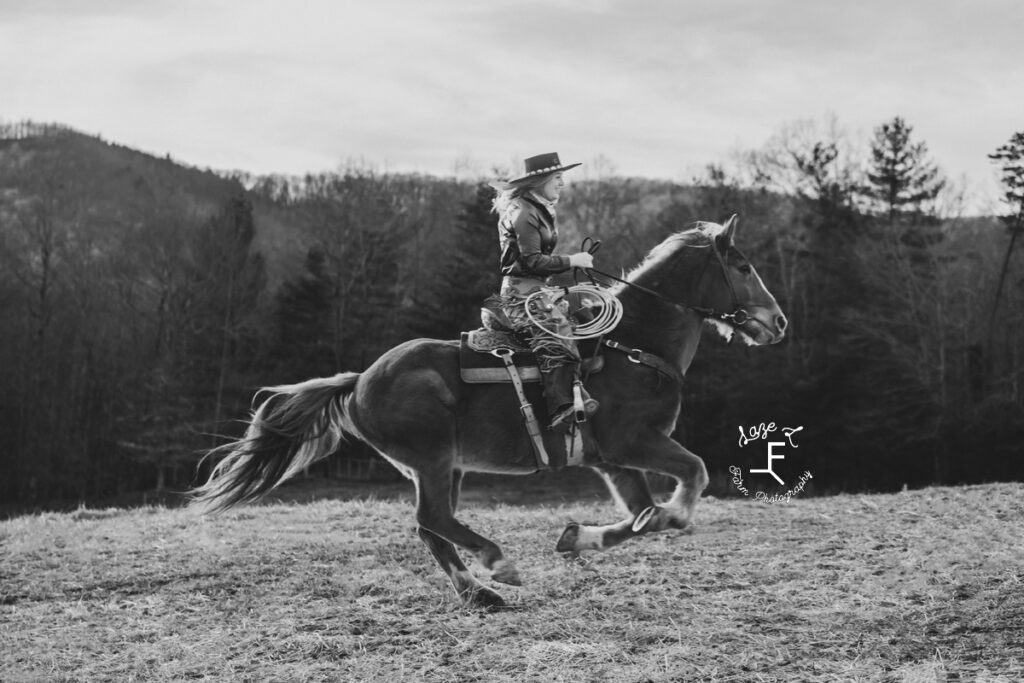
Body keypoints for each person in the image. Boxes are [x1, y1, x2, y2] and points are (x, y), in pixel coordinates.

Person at [490, 152, 598, 429]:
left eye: (562, 178)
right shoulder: (525, 214)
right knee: (557, 332)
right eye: (557, 178)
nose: (562, 184)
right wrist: (573, 260)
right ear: (541, 182)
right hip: (519, 294)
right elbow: (531, 260)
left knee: (583, 310)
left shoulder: (536, 209)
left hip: (536, 289)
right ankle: (560, 405)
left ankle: (579, 386)